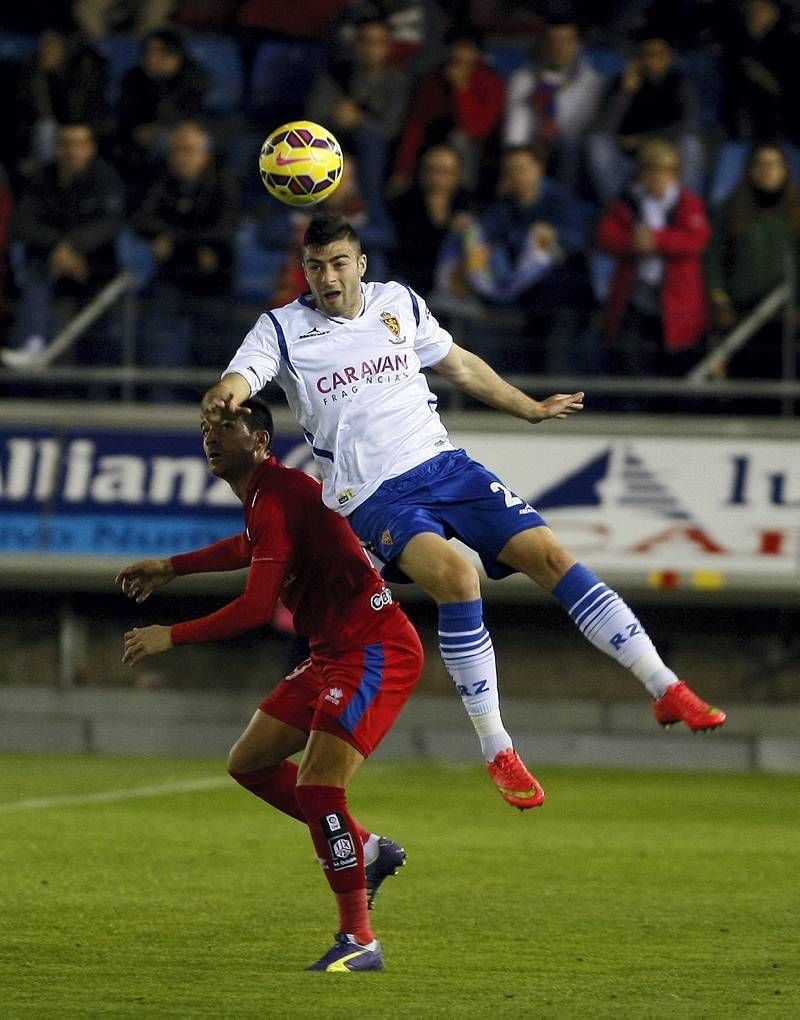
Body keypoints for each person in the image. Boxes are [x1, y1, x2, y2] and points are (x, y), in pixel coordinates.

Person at [201, 212, 727, 812]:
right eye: (316, 267)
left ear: (361, 264)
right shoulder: (283, 329)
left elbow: (458, 364)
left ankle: (664, 686)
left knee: (551, 555)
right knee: (457, 577)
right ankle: (497, 744)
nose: (329, 277)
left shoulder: (398, 303)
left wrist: (527, 408)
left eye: (339, 263)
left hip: (446, 465)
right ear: (305, 272)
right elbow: (238, 380)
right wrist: (224, 398)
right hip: (375, 495)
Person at [116, 397, 423, 972]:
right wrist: (171, 566)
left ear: (259, 441)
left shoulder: (276, 494)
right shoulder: (266, 497)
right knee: (250, 761)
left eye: (225, 426)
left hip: (374, 650)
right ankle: (367, 850)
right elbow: (252, 548)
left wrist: (172, 636)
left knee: (318, 785)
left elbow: (258, 607)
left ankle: (361, 940)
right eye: (207, 427)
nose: (211, 436)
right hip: (334, 651)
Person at [434, 144, 593, 374]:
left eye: (522, 168)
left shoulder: (560, 200)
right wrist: (469, 227)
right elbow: (485, 231)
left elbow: (578, 239)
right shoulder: (504, 205)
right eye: (511, 170)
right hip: (521, 294)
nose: (517, 175)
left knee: (554, 354)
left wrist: (554, 235)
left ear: (539, 169)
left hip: (563, 291)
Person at [134, 120, 239, 401]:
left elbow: (225, 230)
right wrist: (196, 245)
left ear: (204, 155)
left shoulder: (223, 182)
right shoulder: (161, 183)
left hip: (214, 284)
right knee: (160, 349)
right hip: (171, 279)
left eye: (189, 150)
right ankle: (161, 412)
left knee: (213, 357)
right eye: (177, 150)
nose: (182, 156)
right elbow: (142, 221)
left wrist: (173, 239)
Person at [7, 122, 124, 366]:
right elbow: (21, 224)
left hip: (96, 270)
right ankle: (33, 344)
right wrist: (60, 248)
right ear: (56, 148)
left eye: (79, 144)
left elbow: (111, 224)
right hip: (52, 268)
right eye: (66, 143)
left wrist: (72, 246)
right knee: (34, 272)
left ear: (90, 148)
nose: (72, 150)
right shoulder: (42, 178)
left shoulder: (106, 178)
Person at [595, 138, 710, 380]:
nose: (657, 177)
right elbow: (606, 237)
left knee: (674, 362)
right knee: (631, 360)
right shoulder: (628, 201)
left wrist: (658, 240)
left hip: (676, 297)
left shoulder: (687, 203)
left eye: (664, 171)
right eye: (651, 170)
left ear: (674, 174)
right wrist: (632, 243)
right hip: (634, 296)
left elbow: (696, 239)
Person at [705, 142, 800, 381]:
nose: (768, 170)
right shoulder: (731, 210)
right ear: (750, 170)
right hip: (741, 315)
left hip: (786, 317)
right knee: (745, 382)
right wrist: (719, 298)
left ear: (785, 170)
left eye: (775, 164)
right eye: (761, 164)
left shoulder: (795, 212)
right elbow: (714, 259)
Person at [586, 26, 704, 204]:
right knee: (596, 143)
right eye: (648, 54)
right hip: (627, 158)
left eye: (659, 54)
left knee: (691, 145)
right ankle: (617, 211)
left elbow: (688, 125)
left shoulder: (680, 83)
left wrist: (643, 140)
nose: (653, 60)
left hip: (666, 157)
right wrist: (625, 93)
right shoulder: (620, 84)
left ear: (669, 57)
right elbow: (604, 128)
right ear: (638, 57)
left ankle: (688, 208)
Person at [503, 15, 605, 192]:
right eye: (552, 40)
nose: (558, 47)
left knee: (569, 144)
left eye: (566, 40)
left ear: (578, 45)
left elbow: (580, 128)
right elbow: (516, 128)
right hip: (533, 151)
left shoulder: (592, 82)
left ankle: (561, 202)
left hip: (572, 156)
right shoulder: (523, 78)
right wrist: (517, 156)